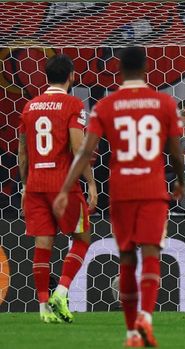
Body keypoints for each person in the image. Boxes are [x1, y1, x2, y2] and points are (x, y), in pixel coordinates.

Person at [53, 47, 185, 347]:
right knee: (151, 253)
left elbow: (85, 151)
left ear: (120, 70)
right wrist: (179, 181)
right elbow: (175, 150)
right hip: (152, 189)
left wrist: (65, 190)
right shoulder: (164, 102)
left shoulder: (105, 106)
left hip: (121, 191)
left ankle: (130, 335)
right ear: (146, 68)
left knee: (126, 258)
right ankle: (146, 319)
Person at [17, 54, 97, 324]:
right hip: (64, 185)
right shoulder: (73, 104)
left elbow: (23, 152)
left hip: (36, 184)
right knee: (83, 238)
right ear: (72, 76)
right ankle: (61, 292)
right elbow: (78, 149)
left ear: (45, 77)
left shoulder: (30, 106)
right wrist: (91, 183)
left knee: (43, 245)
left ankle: (43, 308)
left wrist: (26, 185)